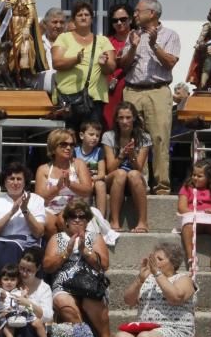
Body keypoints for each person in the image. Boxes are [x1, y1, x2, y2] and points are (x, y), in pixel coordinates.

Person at [114, 242, 196, 337]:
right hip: (147, 332)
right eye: (153, 258)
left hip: (176, 333)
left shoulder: (184, 279)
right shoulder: (148, 280)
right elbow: (128, 300)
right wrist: (140, 280)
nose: (154, 262)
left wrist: (158, 274)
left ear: (173, 262)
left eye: (159, 259)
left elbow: (175, 297)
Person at [118, 0, 180, 194]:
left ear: (152, 13)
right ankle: (139, 183)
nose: (134, 14)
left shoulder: (170, 35)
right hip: (133, 90)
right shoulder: (132, 35)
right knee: (133, 137)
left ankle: (162, 185)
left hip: (158, 90)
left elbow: (170, 62)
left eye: (138, 11)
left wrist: (154, 45)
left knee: (160, 137)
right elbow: (124, 66)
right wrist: (134, 47)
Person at [43, 200, 114, 337]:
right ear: (66, 220)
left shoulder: (95, 237)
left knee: (92, 299)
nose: (77, 219)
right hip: (64, 283)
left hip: (90, 282)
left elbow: (104, 265)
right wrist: (66, 252)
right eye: (73, 216)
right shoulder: (57, 238)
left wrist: (85, 251)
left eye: (81, 217)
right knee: (64, 302)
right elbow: (48, 266)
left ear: (87, 220)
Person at [0, 162, 46, 292]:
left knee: (10, 246)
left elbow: (39, 232)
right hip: (1, 241)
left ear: (25, 182)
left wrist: (25, 210)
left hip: (27, 242)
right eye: (11, 179)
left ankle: (12, 289)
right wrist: (11, 211)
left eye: (19, 179)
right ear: (4, 182)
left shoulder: (36, 200)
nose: (15, 182)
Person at [51, 0, 116, 129]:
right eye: (79, 15)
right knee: (67, 139)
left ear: (92, 19)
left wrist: (104, 64)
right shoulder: (64, 38)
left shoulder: (103, 40)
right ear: (74, 19)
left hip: (94, 100)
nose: (83, 17)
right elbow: (56, 62)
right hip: (67, 100)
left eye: (86, 14)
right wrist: (75, 60)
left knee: (91, 138)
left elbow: (112, 67)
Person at [102, 101, 151, 232]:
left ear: (134, 118)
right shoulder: (108, 136)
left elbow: (139, 168)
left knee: (133, 174)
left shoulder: (144, 138)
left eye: (128, 117)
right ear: (116, 119)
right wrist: (122, 154)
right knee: (120, 173)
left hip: (134, 179)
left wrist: (132, 155)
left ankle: (142, 222)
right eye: (121, 117)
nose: (124, 121)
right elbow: (110, 169)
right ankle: (114, 221)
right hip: (115, 178)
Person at [35, 129, 93, 238]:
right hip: (50, 208)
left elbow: (88, 190)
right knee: (49, 224)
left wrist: (70, 184)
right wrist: (57, 187)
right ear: (53, 147)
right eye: (63, 144)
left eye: (71, 145)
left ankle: (73, 250)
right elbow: (39, 199)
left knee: (63, 219)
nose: (68, 147)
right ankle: (60, 250)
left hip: (76, 205)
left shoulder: (79, 164)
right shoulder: (43, 169)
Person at [11, 248, 55, 337]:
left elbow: (48, 315)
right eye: (21, 268)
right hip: (13, 325)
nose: (24, 273)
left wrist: (29, 304)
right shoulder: (12, 281)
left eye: (29, 270)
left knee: (28, 328)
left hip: (35, 330)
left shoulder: (44, 288)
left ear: (38, 268)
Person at [178, 158, 211, 272]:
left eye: (199, 176)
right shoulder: (187, 188)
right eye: (194, 175)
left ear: (209, 177)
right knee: (187, 227)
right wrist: (195, 213)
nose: (195, 178)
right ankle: (191, 258)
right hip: (194, 220)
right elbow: (181, 208)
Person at [102, 4, 132, 130]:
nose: (119, 23)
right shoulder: (106, 41)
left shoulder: (138, 39)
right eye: (115, 20)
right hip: (110, 91)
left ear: (130, 19)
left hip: (132, 89)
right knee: (110, 125)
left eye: (123, 19)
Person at [76, 120, 107, 218]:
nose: (95, 138)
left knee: (101, 184)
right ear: (81, 135)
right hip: (81, 181)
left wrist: (93, 179)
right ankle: (83, 216)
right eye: (91, 134)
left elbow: (102, 174)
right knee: (85, 185)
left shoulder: (99, 151)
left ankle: (101, 218)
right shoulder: (75, 151)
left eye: (97, 136)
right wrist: (87, 181)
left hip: (95, 180)